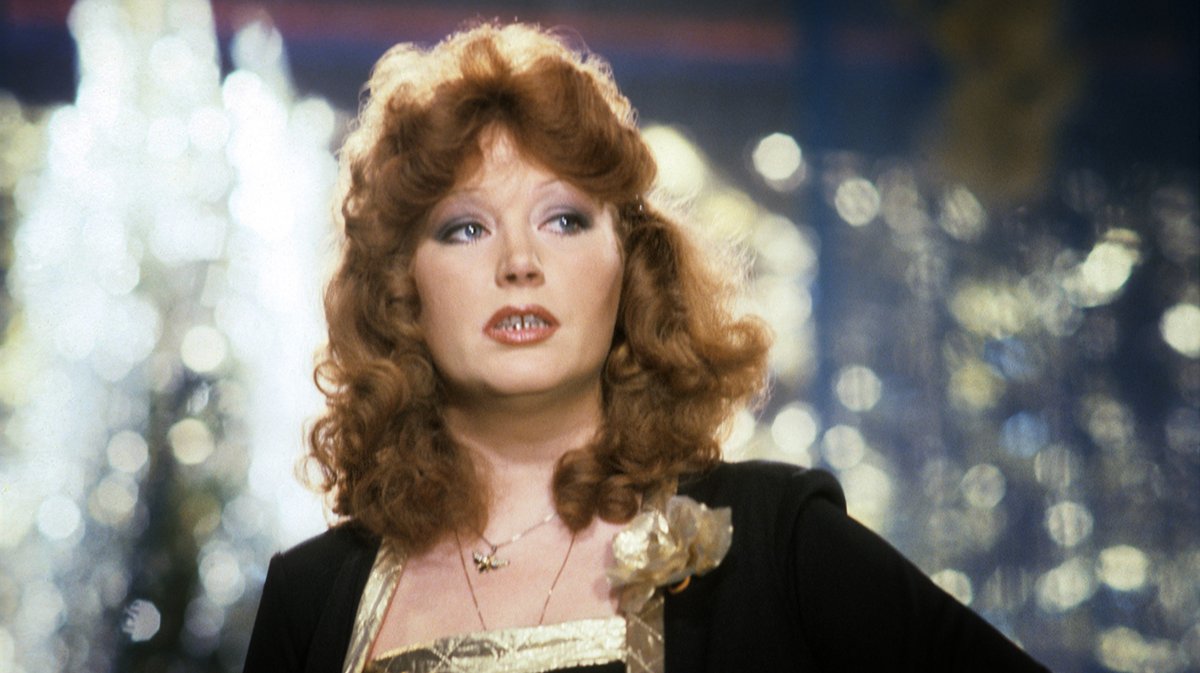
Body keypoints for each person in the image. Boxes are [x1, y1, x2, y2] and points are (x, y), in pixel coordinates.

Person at [243, 21, 1050, 673]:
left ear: (630, 265)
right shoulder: (313, 597)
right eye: (465, 228)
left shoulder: (777, 539)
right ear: (402, 288)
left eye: (564, 219)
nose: (519, 262)